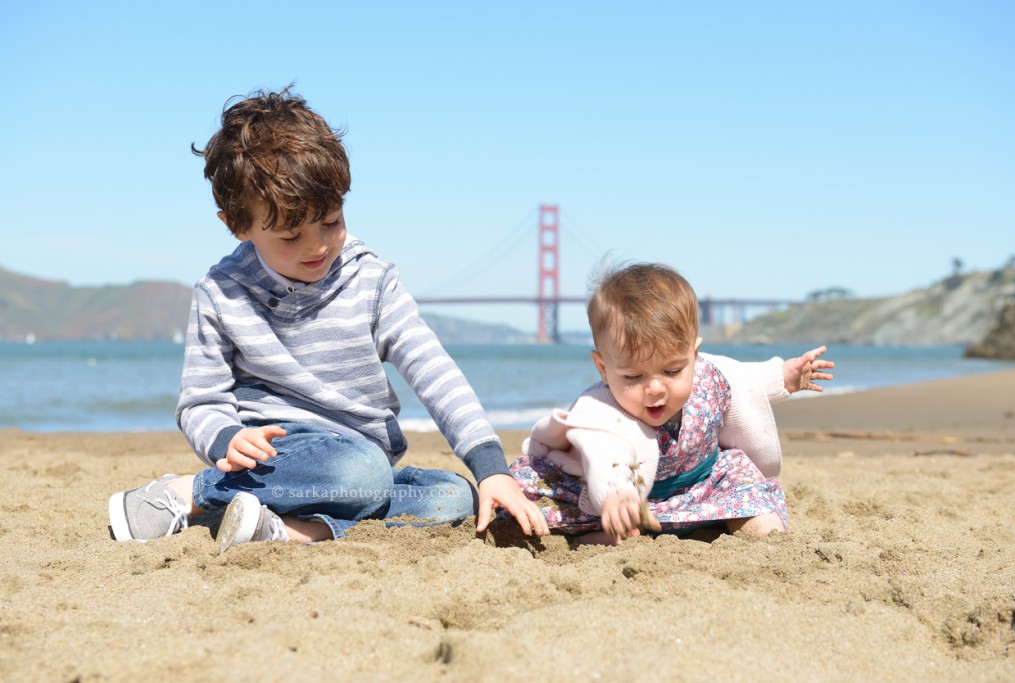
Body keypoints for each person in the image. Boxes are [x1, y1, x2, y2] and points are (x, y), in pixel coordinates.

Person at [108, 86, 549, 551]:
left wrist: (491, 467)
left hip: (357, 474)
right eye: (291, 235)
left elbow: (434, 372)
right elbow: (200, 401)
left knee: (454, 496)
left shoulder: (372, 281)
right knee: (363, 470)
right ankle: (189, 494)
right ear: (237, 226)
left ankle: (287, 530)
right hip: (282, 458)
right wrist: (226, 439)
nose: (317, 246)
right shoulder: (221, 294)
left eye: (331, 221)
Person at [508, 262, 834, 545]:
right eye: (633, 376)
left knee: (745, 485)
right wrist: (615, 493)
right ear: (603, 368)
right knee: (528, 494)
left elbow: (746, 380)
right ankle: (600, 536)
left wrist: (786, 376)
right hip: (628, 498)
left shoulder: (712, 376)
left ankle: (761, 533)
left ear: (694, 355)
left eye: (672, 371)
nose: (654, 388)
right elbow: (605, 451)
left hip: (701, 485)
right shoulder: (602, 407)